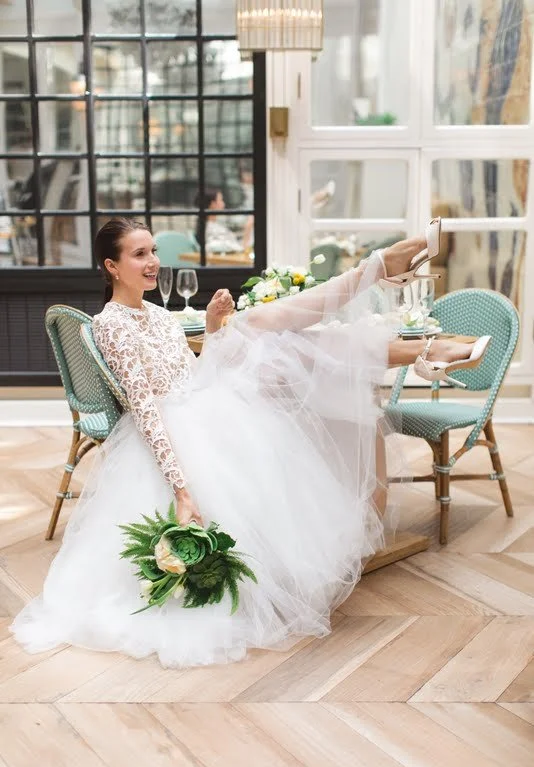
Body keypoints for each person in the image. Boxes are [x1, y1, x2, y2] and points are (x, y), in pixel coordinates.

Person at [10, 218, 488, 667]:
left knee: (277, 335)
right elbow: (146, 409)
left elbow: (191, 373)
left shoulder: (157, 314)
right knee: (270, 332)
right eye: (139, 255)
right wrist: (182, 491)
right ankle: (408, 321)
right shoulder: (111, 324)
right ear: (111, 266)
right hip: (176, 429)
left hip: (203, 399)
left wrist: (212, 326)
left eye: (153, 251)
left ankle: (398, 302)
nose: (152, 262)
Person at [195, 188, 242, 253]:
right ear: (212, 204)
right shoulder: (210, 228)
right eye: (221, 200)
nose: (223, 204)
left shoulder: (212, 225)